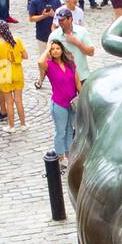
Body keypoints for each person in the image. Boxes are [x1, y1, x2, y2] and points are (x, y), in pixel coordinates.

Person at [40, 36, 82, 168]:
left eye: (58, 48)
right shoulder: (49, 66)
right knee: (61, 131)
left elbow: (77, 82)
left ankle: (69, 154)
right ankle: (60, 156)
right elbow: (40, 62)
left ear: (62, 50)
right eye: (53, 49)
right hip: (59, 104)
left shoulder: (70, 64)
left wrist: (82, 96)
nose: (55, 51)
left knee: (70, 129)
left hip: (72, 103)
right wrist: (47, 49)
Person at [0, 21, 28, 133]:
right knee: (19, 100)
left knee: (9, 102)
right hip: (17, 71)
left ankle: (11, 126)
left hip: (4, 72)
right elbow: (25, 56)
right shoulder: (17, 40)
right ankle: (23, 124)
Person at [27, 0, 62, 88]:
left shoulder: (56, 0)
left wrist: (53, 15)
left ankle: (57, 81)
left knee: (58, 59)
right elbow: (31, 18)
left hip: (56, 36)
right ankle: (41, 79)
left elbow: (62, 16)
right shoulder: (35, 2)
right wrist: (42, 16)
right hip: (42, 36)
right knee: (43, 61)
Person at [52, 7, 95, 84]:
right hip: (65, 79)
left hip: (82, 76)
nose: (60, 22)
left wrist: (77, 42)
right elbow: (48, 56)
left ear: (70, 19)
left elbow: (91, 52)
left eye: (63, 20)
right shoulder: (54, 35)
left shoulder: (82, 31)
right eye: (59, 20)